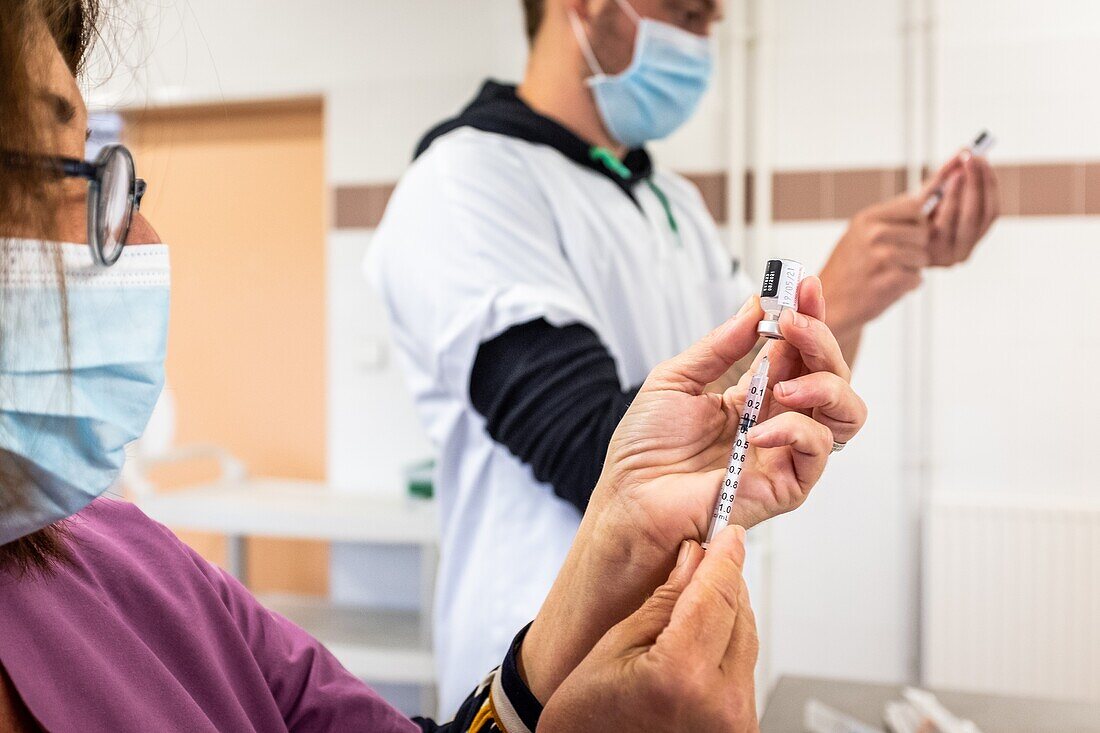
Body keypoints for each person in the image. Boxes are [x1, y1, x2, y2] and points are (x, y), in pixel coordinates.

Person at [0, 2, 866, 730]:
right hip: (540, 614)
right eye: (70, 171)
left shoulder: (132, 569)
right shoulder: (465, 178)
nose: (142, 239)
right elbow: (578, 442)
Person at [368, 0, 1000, 710]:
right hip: (548, 675)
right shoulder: (465, 183)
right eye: (688, 14)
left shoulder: (669, 199)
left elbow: (740, 410)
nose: (705, 41)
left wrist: (844, 312)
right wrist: (837, 293)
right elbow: (593, 451)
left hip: (699, 654)